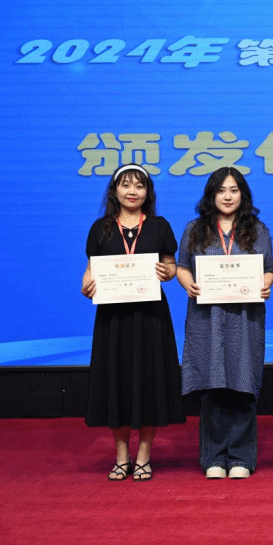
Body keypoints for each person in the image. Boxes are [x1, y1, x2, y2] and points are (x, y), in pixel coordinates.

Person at [81, 163, 186, 481]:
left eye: (139, 186)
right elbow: (91, 269)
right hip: (113, 319)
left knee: (149, 381)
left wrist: (167, 272)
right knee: (117, 381)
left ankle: (144, 455)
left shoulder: (159, 226)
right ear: (114, 191)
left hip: (150, 317)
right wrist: (86, 284)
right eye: (126, 185)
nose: (132, 191)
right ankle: (121, 455)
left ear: (147, 192)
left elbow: (171, 265)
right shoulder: (101, 228)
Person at [177, 167, 273, 480]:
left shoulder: (257, 230)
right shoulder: (195, 229)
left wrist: (266, 284)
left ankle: (241, 457)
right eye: (221, 190)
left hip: (245, 318)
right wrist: (188, 284)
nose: (228, 196)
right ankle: (214, 458)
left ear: (242, 194)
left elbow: (268, 269)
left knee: (243, 385)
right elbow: (182, 266)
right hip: (208, 318)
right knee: (213, 385)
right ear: (212, 194)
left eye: (234, 190)